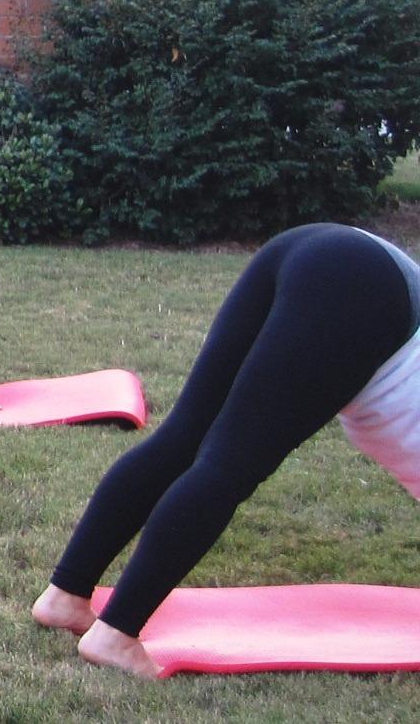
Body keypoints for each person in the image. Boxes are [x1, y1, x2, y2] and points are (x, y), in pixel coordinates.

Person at [32, 223, 420, 678]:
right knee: (228, 465)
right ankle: (115, 633)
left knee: (183, 440)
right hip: (364, 288)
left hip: (326, 250)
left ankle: (66, 595)